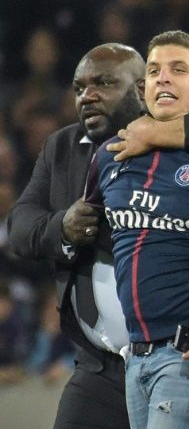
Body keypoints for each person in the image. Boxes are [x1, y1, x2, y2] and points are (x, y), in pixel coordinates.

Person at [85, 31, 189, 429]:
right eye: (154, 71)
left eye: (178, 69)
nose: (163, 78)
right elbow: (100, 233)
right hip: (134, 357)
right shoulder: (109, 155)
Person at [8, 43, 145, 428]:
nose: (88, 96)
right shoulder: (63, 147)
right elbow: (20, 225)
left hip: (173, 365)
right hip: (99, 370)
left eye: (103, 83)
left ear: (141, 89)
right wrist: (62, 228)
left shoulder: (178, 145)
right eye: (79, 87)